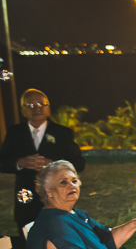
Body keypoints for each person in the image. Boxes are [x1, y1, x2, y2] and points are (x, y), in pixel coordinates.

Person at [0, 89, 86, 232]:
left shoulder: (62, 133)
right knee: (30, 243)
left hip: (58, 198)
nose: (37, 108)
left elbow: (79, 164)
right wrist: (19, 163)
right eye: (31, 105)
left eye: (41, 104)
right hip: (25, 199)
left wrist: (54, 165)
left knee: (60, 240)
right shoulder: (15, 133)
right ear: (23, 110)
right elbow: (2, 162)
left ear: (48, 109)